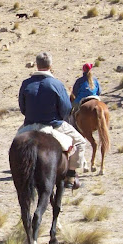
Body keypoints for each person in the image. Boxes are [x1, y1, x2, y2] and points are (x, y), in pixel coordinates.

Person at [17, 52, 88, 190]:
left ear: (37, 65)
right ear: (50, 65)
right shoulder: (57, 84)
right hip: (53, 124)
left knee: (15, 146)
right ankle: (71, 176)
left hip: (29, 125)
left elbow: (22, 107)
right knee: (80, 142)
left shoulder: (25, 83)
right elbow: (66, 109)